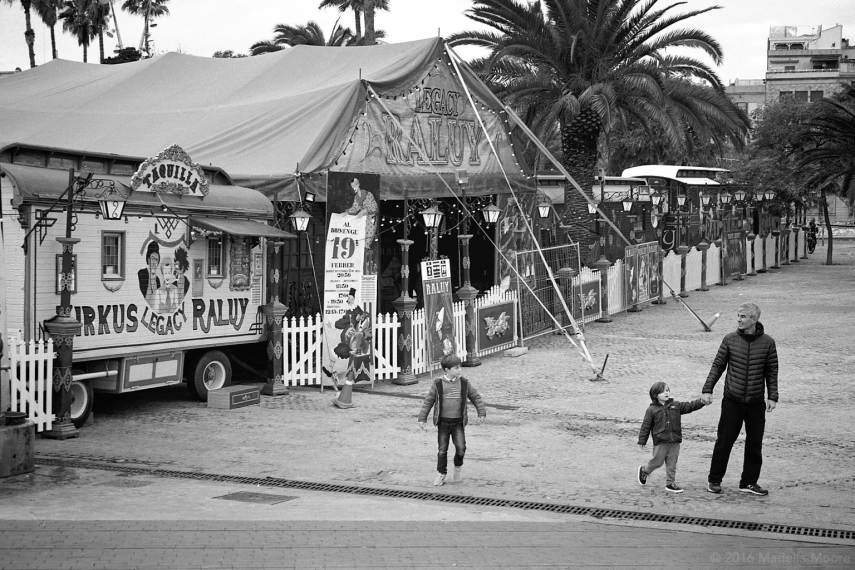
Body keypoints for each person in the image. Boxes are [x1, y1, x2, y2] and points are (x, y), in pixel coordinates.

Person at [701, 302, 778, 496]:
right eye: (738, 316)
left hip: (755, 402)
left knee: (755, 444)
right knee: (724, 441)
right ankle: (714, 480)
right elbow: (718, 366)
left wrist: (773, 396)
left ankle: (749, 482)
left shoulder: (768, 343)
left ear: (754, 319)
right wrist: (707, 389)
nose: (739, 320)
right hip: (732, 401)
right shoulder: (729, 340)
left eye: (743, 316)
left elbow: (772, 371)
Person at [418, 354, 486, 486]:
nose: (459, 370)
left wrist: (481, 413)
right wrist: (422, 418)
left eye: (460, 367)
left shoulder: (464, 383)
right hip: (443, 422)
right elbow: (428, 401)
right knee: (442, 449)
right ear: (446, 370)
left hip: (458, 423)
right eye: (456, 368)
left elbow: (476, 397)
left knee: (461, 448)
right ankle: (441, 474)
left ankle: (458, 467)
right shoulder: (437, 384)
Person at [637, 382, 707, 493]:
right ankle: (644, 470)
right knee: (657, 462)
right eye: (663, 391)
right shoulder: (651, 410)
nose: (666, 392)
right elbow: (646, 425)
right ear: (655, 395)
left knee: (672, 464)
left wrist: (701, 402)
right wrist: (642, 440)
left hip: (675, 441)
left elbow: (690, 406)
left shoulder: (676, 405)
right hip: (661, 442)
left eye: (668, 390)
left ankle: (670, 483)